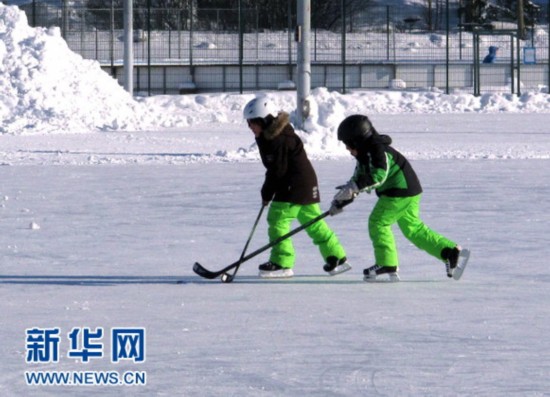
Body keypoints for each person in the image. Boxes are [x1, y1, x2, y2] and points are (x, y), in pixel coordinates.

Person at [330, 114, 467, 282]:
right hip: (409, 190)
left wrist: (355, 188)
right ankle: (449, 252)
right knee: (413, 229)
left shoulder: (377, 150)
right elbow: (359, 176)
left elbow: (378, 176)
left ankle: (387, 263)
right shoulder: (365, 154)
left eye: (348, 144)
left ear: (358, 140)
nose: (347, 149)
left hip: (399, 191)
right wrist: (342, 199)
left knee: (378, 222)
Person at [243, 97, 350, 278]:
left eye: (252, 123)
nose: (250, 127)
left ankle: (282, 263)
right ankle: (336, 256)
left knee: (277, 220)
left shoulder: (278, 140)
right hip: (305, 185)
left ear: (264, 120)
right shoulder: (277, 135)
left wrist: (267, 193)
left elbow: (276, 171)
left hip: (292, 186)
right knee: (314, 223)